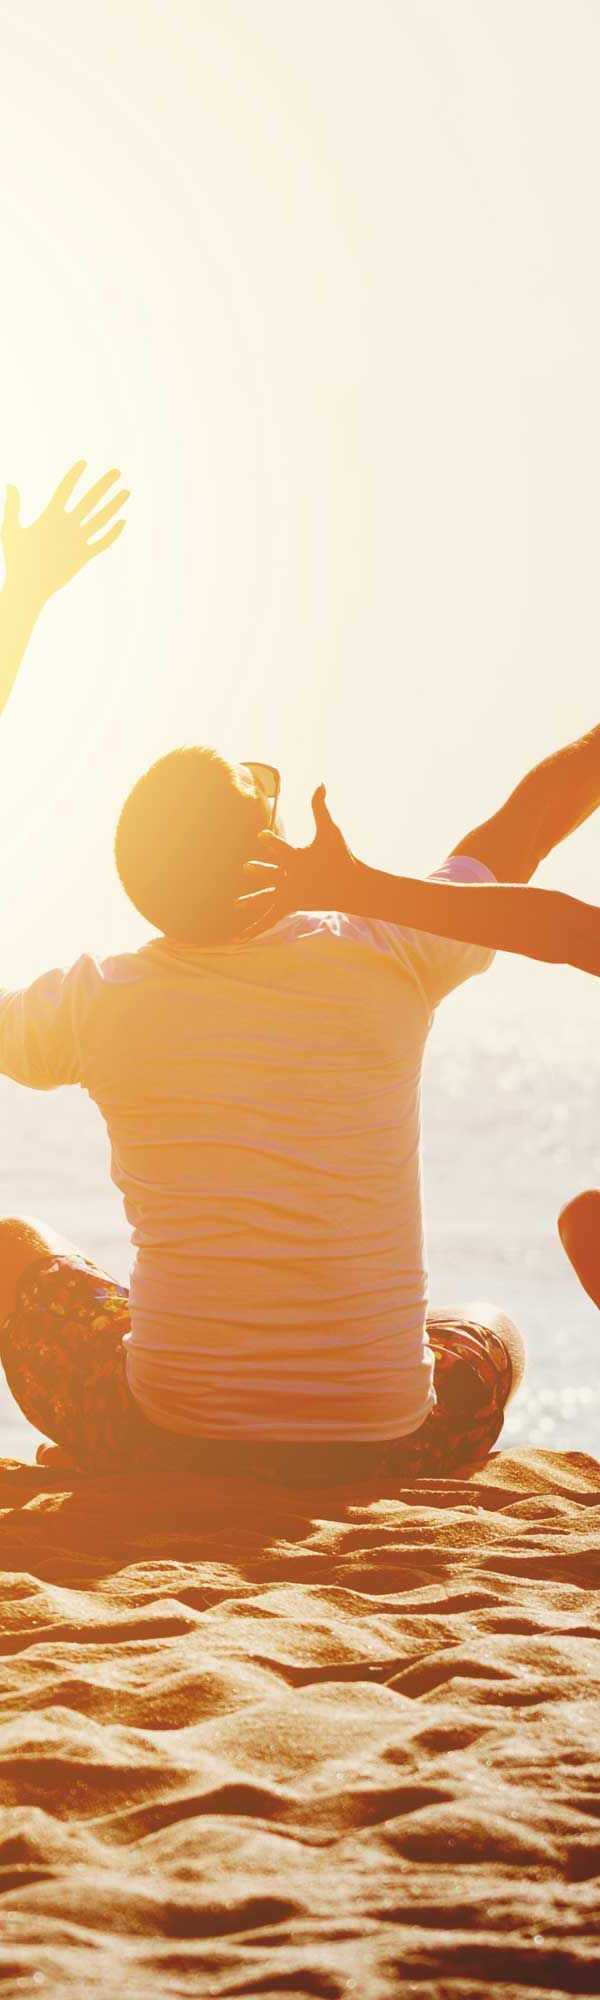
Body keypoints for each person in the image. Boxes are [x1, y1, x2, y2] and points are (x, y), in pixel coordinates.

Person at [0, 578, 597, 1482]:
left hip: (164, 1439)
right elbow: (533, 822)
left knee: (17, 1252)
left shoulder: (92, 1003)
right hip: (399, 1441)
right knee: (493, 1330)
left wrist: (22, 608)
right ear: (267, 848)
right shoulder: (393, 946)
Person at [242, 779, 600, 1315]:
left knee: (583, 1223)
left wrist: (355, 888)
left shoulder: (115, 992)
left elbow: (561, 927)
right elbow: (556, 915)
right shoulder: (376, 953)